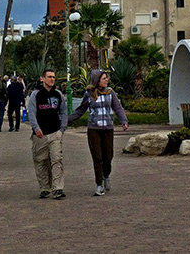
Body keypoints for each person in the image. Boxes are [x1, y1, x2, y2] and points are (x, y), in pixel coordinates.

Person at [68, 69, 128, 196]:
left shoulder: (110, 93)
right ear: (97, 81)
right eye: (103, 78)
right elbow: (81, 110)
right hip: (94, 129)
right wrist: (67, 120)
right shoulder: (89, 94)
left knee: (108, 157)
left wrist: (124, 121)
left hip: (108, 129)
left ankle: (106, 175)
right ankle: (99, 184)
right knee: (97, 158)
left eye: (106, 78)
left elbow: (117, 107)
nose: (106, 80)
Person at [26, 68, 68, 199]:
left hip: (55, 133)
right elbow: (31, 113)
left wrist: (62, 129)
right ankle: (45, 187)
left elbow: (63, 112)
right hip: (40, 134)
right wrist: (36, 128)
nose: (52, 79)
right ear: (42, 78)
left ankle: (57, 188)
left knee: (57, 160)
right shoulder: (36, 95)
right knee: (41, 161)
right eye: (49, 77)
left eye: (53, 77)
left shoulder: (58, 94)